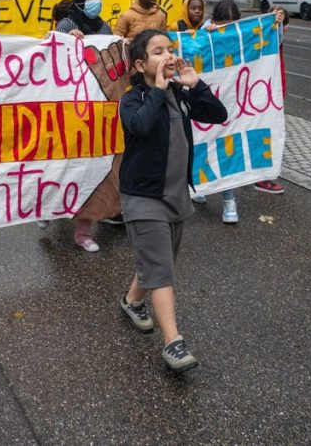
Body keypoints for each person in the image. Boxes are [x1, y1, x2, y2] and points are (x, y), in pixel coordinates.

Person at [117, 28, 228, 372]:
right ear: (139, 64)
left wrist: (195, 84)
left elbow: (217, 114)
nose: (167, 55)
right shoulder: (133, 99)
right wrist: (157, 91)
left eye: (170, 49)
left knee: (159, 261)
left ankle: (132, 301)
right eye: (157, 51)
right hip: (143, 196)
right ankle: (173, 343)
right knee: (162, 269)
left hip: (176, 195)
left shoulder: (181, 92)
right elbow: (140, 127)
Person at [196, 0, 288, 208]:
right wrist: (206, 31)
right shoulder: (207, 30)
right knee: (206, 141)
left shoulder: (244, 35)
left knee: (228, 144)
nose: (225, 30)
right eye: (221, 25)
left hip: (234, 101)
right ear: (213, 21)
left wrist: (276, 24)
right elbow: (195, 47)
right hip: (209, 98)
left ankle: (229, 200)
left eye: (229, 25)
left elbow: (271, 43)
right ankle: (202, 187)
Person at [49, 0, 113, 250]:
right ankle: (49, 207)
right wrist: (66, 42)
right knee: (65, 166)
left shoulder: (105, 26)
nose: (96, 0)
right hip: (68, 107)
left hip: (96, 106)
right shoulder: (66, 25)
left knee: (91, 170)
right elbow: (49, 55)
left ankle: (83, 231)